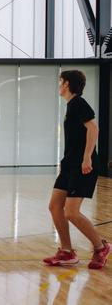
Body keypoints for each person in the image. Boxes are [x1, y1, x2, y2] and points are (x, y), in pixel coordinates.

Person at [44, 70, 110, 269]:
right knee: (55, 206)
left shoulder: (78, 103)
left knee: (71, 212)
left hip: (83, 166)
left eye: (61, 81)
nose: (59, 84)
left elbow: (93, 128)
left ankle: (101, 248)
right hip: (69, 165)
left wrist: (87, 157)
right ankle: (66, 252)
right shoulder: (71, 106)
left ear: (67, 84)